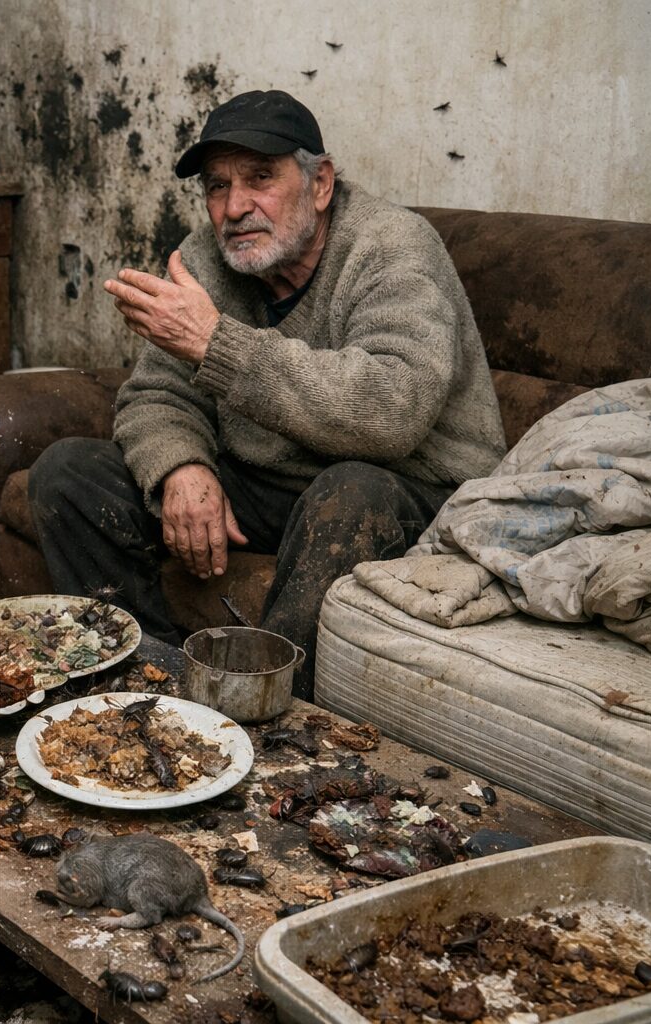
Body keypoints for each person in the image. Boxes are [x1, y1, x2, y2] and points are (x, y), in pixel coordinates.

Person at [29, 90, 506, 696]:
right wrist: (182, 466)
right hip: (277, 487)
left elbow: (393, 409)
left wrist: (215, 344)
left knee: (349, 492)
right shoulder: (207, 257)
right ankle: (144, 680)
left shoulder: (391, 246)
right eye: (217, 186)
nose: (234, 207)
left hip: (406, 486)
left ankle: (268, 713)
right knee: (68, 474)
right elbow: (156, 393)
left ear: (321, 184)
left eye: (260, 178)